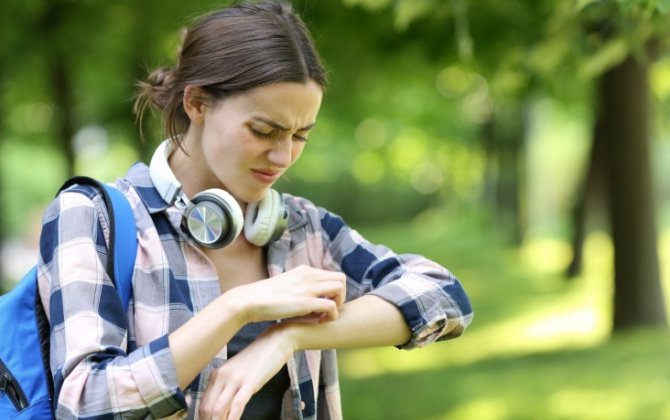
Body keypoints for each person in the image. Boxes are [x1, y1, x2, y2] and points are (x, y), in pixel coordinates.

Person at [37, 1, 473, 419]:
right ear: (197, 103)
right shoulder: (92, 216)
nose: (283, 157)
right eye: (264, 130)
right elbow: (84, 402)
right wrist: (236, 309)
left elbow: (444, 296)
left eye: (300, 135)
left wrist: (290, 336)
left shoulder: (304, 228)